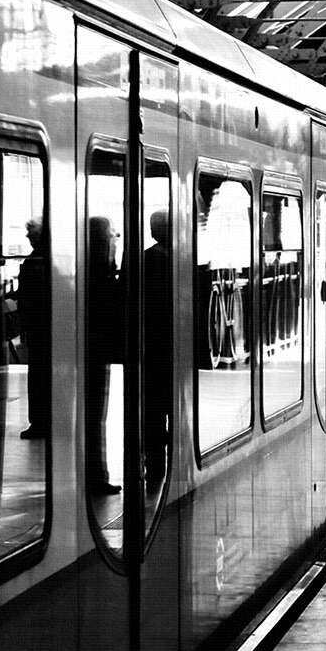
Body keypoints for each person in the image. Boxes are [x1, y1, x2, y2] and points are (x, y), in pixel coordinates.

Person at [86, 215, 121, 492]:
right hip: (95, 352)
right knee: (94, 415)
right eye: (112, 234)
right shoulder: (101, 273)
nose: (116, 238)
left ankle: (95, 473)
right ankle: (95, 475)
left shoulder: (86, 270)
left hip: (90, 350)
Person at [142, 207, 173, 490]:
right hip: (170, 349)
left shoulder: (146, 259)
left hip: (151, 350)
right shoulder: (181, 258)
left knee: (152, 411)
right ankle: (164, 462)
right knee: (169, 407)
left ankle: (155, 467)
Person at [16, 218, 50, 440]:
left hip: (39, 328)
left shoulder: (34, 261)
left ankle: (39, 421)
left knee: (38, 376)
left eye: (31, 233)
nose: (27, 237)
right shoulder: (51, 258)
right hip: (46, 327)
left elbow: (27, 297)